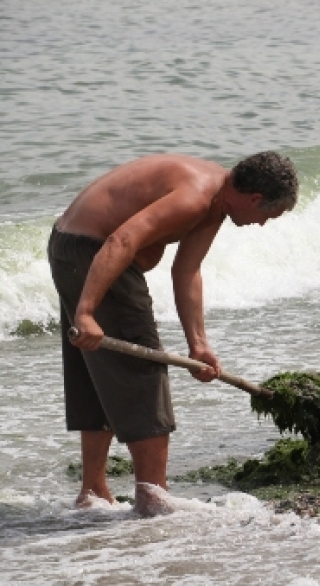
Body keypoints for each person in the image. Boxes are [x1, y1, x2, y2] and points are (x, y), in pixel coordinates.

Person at [48, 151, 298, 515]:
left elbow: (187, 271)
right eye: (267, 217)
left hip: (72, 247)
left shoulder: (217, 198)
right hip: (95, 252)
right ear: (255, 199)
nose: (262, 224)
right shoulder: (197, 195)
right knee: (142, 369)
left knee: (99, 369)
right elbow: (122, 240)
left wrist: (199, 345)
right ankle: (153, 496)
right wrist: (86, 311)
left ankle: (93, 490)